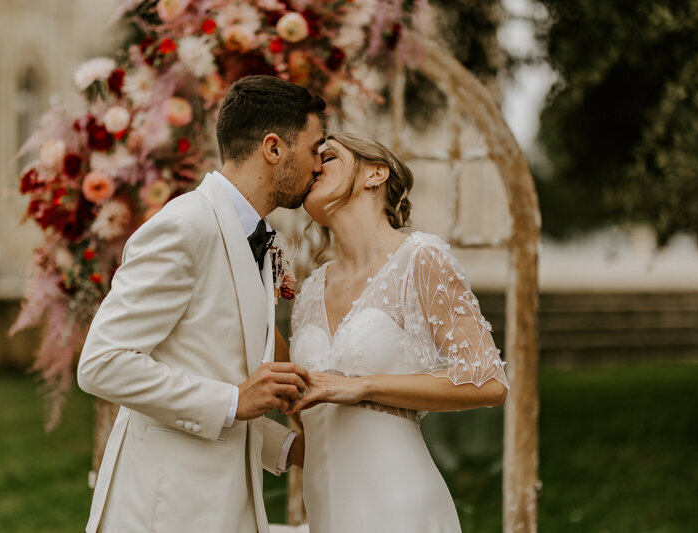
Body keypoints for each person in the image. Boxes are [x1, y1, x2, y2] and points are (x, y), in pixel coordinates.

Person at [76, 75, 325, 533]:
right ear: (274, 147)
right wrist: (234, 399)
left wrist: (287, 450)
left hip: (221, 506)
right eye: (314, 149)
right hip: (163, 511)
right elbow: (101, 363)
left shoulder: (256, 238)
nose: (319, 166)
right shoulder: (184, 227)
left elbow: (213, 372)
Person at [284, 133, 509, 532]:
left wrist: (363, 386)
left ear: (375, 173)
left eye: (328, 156)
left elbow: (489, 381)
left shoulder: (421, 258)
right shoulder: (309, 290)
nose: (314, 165)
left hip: (401, 508)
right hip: (327, 514)